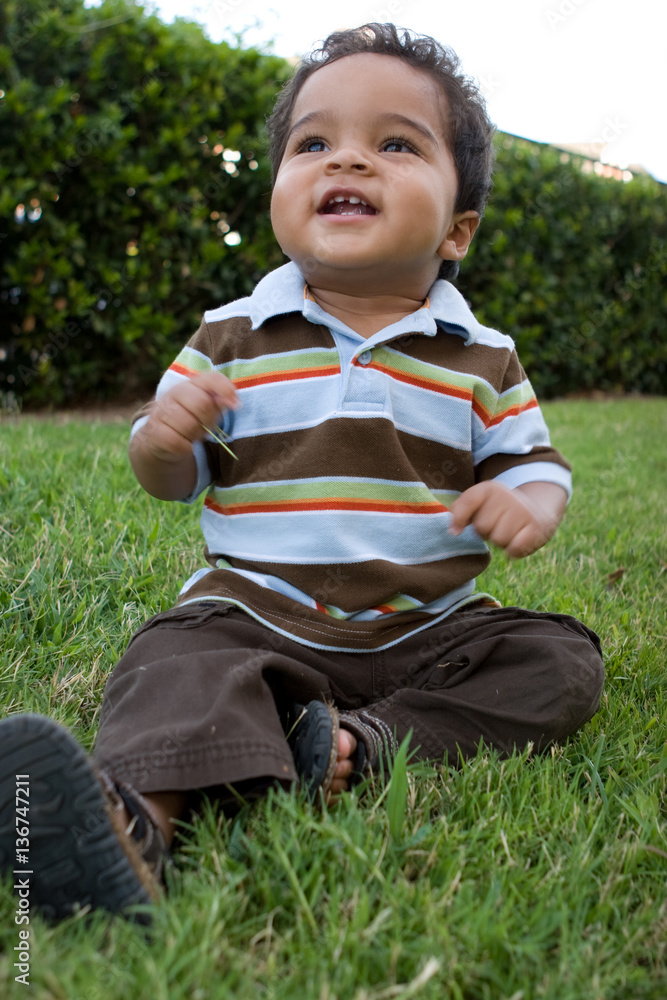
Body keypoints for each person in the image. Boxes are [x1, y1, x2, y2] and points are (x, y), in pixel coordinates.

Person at [0, 23, 604, 923]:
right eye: (313, 143)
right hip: (254, 613)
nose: (347, 162)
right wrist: (163, 441)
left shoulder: (481, 358)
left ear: (458, 231)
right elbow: (169, 476)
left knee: (559, 660)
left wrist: (529, 499)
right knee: (174, 662)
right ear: (279, 186)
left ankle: (363, 743)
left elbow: (535, 463)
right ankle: (133, 828)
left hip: (426, 630)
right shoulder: (232, 336)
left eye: (394, 144)